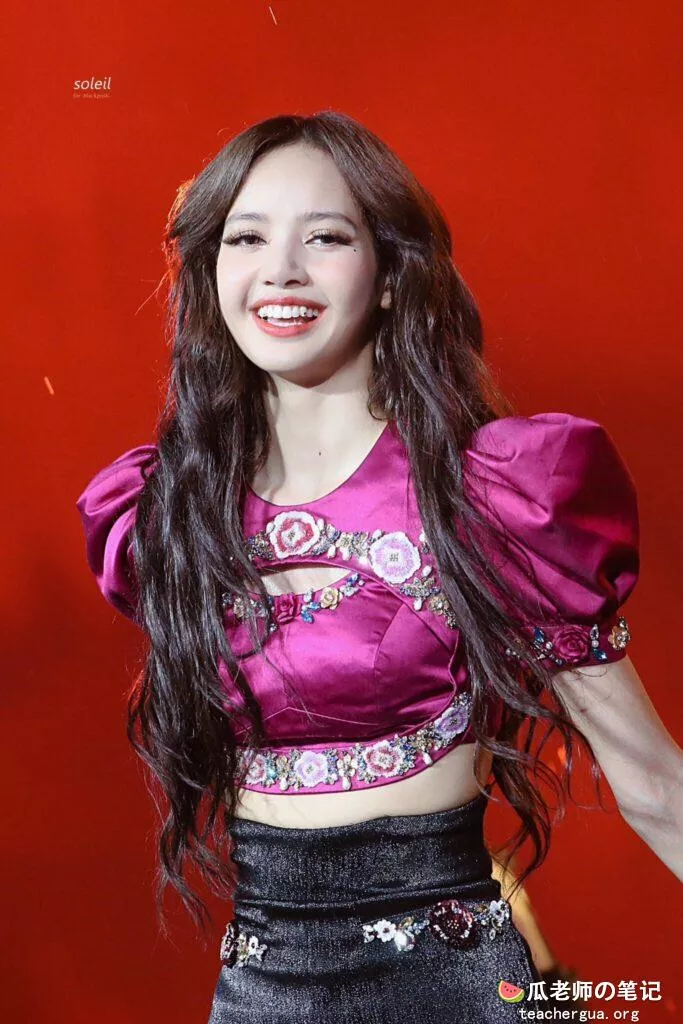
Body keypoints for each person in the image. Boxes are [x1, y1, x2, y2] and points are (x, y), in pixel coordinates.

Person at [75, 111, 683, 1024]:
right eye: (246, 238)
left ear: (392, 274)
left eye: (324, 237)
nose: (281, 269)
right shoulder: (167, 513)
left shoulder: (492, 496)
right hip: (259, 995)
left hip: (454, 991)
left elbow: (653, 783)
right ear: (208, 274)